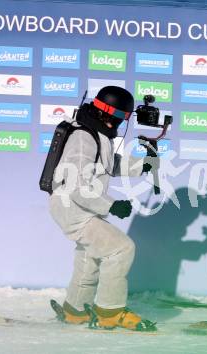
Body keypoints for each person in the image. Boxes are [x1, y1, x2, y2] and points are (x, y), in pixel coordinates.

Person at [49, 86, 154, 331]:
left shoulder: (96, 134)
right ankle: (110, 311)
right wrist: (112, 205)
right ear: (111, 114)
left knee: (90, 256)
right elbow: (77, 185)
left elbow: (108, 165)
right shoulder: (83, 138)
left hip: (79, 207)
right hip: (73, 208)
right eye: (123, 117)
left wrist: (143, 166)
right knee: (120, 249)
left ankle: (75, 309)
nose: (122, 122)